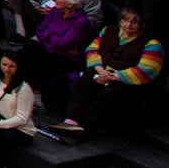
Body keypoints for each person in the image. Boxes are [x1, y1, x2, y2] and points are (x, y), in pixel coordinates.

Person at [55, 7, 164, 137]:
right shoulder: (108, 30)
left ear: (141, 25)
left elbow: (146, 69)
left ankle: (84, 130)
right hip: (101, 72)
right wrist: (101, 71)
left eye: (134, 22)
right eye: (126, 20)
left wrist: (112, 77)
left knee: (106, 96)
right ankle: (71, 122)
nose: (129, 25)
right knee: (82, 84)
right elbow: (92, 50)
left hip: (126, 82)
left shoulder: (152, 44)